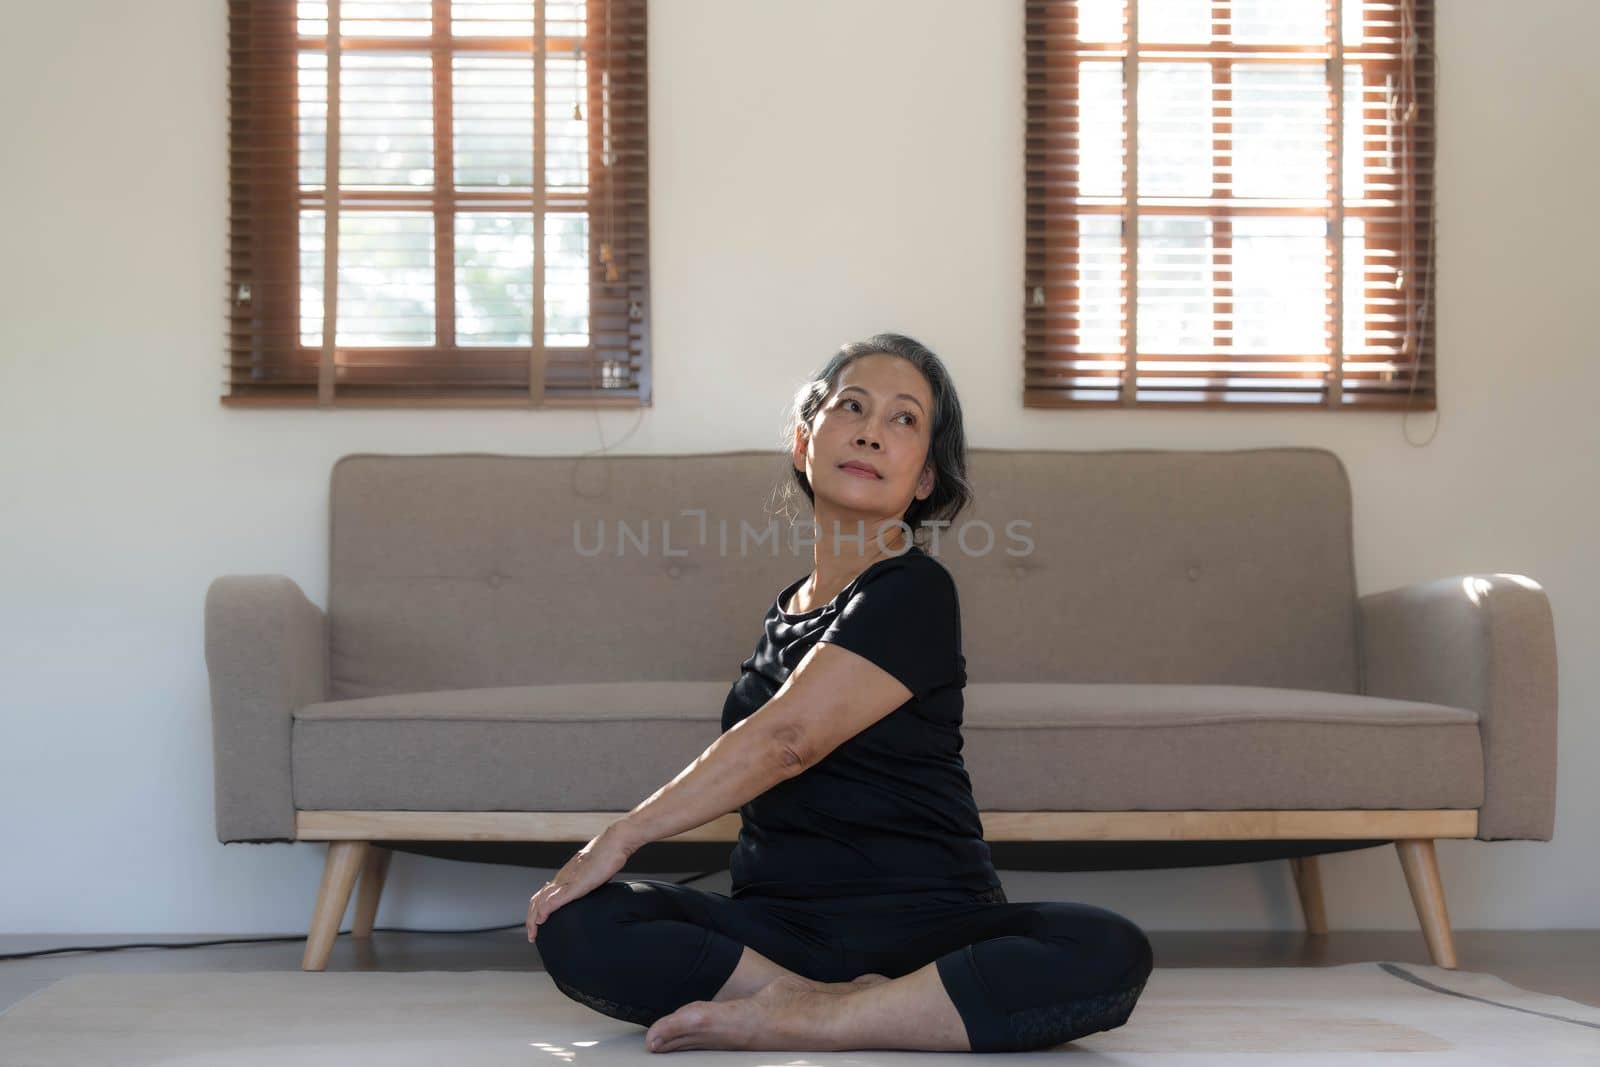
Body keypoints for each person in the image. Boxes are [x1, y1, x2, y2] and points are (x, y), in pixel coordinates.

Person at [527, 333, 1154, 1053]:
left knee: (1106, 948)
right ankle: (852, 1004)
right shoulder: (782, 611)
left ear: (924, 479)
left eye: (904, 419)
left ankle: (810, 1014)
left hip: (935, 927)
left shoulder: (914, 589)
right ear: (804, 442)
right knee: (581, 922)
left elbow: (788, 741)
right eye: (851, 406)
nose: (870, 430)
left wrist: (624, 833)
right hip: (782, 932)